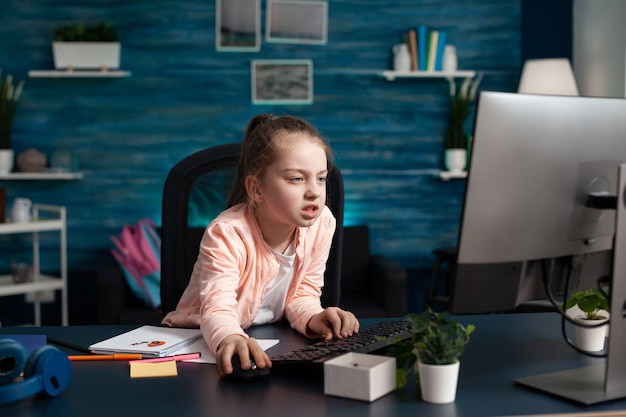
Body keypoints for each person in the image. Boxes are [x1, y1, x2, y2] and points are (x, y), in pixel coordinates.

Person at [162, 114, 359, 377]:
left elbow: (302, 294)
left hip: (270, 339)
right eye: (296, 179)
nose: (314, 191)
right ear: (256, 189)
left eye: (321, 178)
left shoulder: (323, 223)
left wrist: (315, 317)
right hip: (200, 339)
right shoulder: (227, 232)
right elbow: (217, 309)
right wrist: (230, 338)